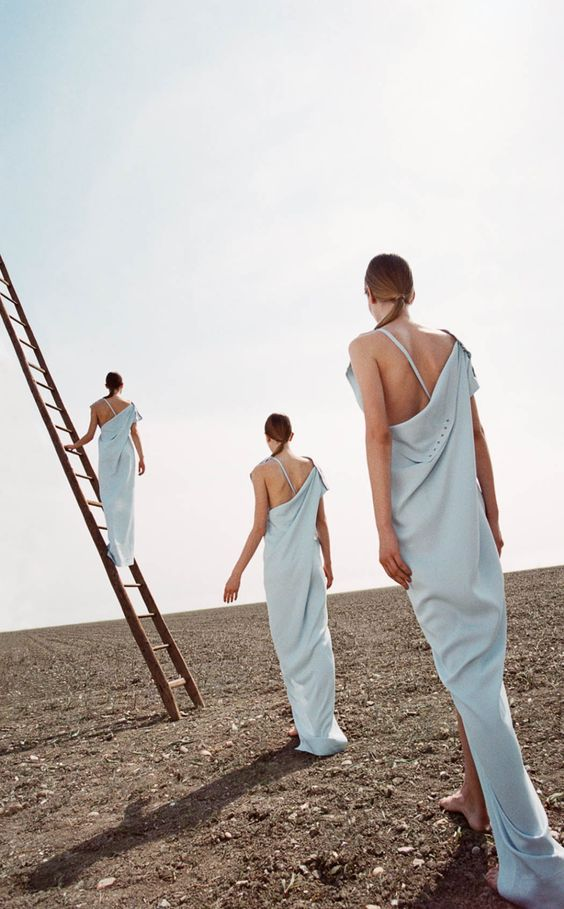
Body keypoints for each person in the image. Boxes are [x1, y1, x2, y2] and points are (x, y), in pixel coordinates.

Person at [346, 253, 564, 907]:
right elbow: (475, 431)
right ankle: (474, 797)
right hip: (468, 529)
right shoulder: (453, 345)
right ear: (411, 290)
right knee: (473, 672)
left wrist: (382, 528)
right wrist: (493, 517)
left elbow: (379, 436)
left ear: (370, 294)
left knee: (471, 677)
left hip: (421, 535)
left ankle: (537, 866)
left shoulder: (366, 345)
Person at [223, 413, 347, 757]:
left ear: (267, 437)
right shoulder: (313, 468)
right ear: (293, 434)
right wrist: (328, 562)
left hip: (281, 568)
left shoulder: (262, 471)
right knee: (317, 639)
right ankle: (314, 721)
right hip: (309, 563)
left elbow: (258, 527)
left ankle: (309, 725)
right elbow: (322, 522)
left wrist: (236, 572)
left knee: (290, 644)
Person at [65, 371, 144, 567]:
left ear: (106, 385)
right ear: (122, 385)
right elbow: (134, 433)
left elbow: (90, 435)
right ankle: (122, 550)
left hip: (107, 455)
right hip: (127, 455)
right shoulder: (130, 406)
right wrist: (142, 457)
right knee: (125, 502)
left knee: (108, 500)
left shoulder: (97, 406)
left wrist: (74, 446)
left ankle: (115, 547)